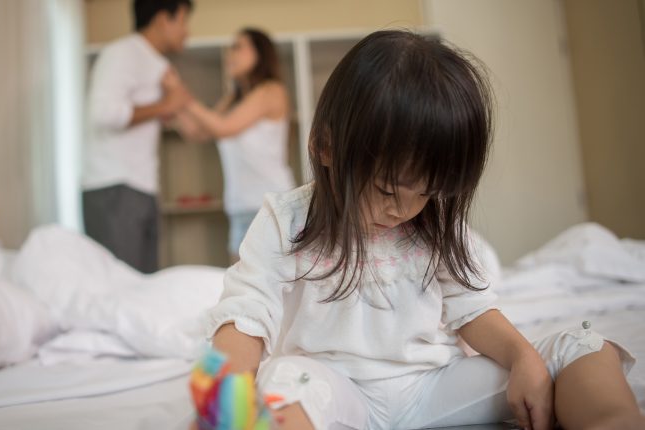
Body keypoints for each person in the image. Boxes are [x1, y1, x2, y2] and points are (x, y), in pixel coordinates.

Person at [204, 31, 643, 429]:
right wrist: (220, 403)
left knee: (580, 348)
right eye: (387, 190)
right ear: (325, 148)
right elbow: (246, 317)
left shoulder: (435, 224)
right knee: (281, 383)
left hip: (432, 387)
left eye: (427, 193)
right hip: (333, 390)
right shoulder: (286, 220)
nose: (405, 210)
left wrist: (522, 355)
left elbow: (471, 309)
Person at [82, 0, 192, 273]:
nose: (186, 31)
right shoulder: (122, 53)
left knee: (142, 292)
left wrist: (167, 107)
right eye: (183, 21)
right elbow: (103, 114)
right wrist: (165, 106)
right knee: (121, 291)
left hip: (142, 189)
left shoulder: (157, 64)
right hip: (114, 186)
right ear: (162, 19)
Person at [175, 28, 295, 263]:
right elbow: (197, 133)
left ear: (260, 54)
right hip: (240, 206)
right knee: (239, 291)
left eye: (239, 46)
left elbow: (223, 127)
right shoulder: (233, 98)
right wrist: (172, 103)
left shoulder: (271, 91)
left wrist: (184, 98)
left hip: (270, 205)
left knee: (272, 290)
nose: (231, 53)